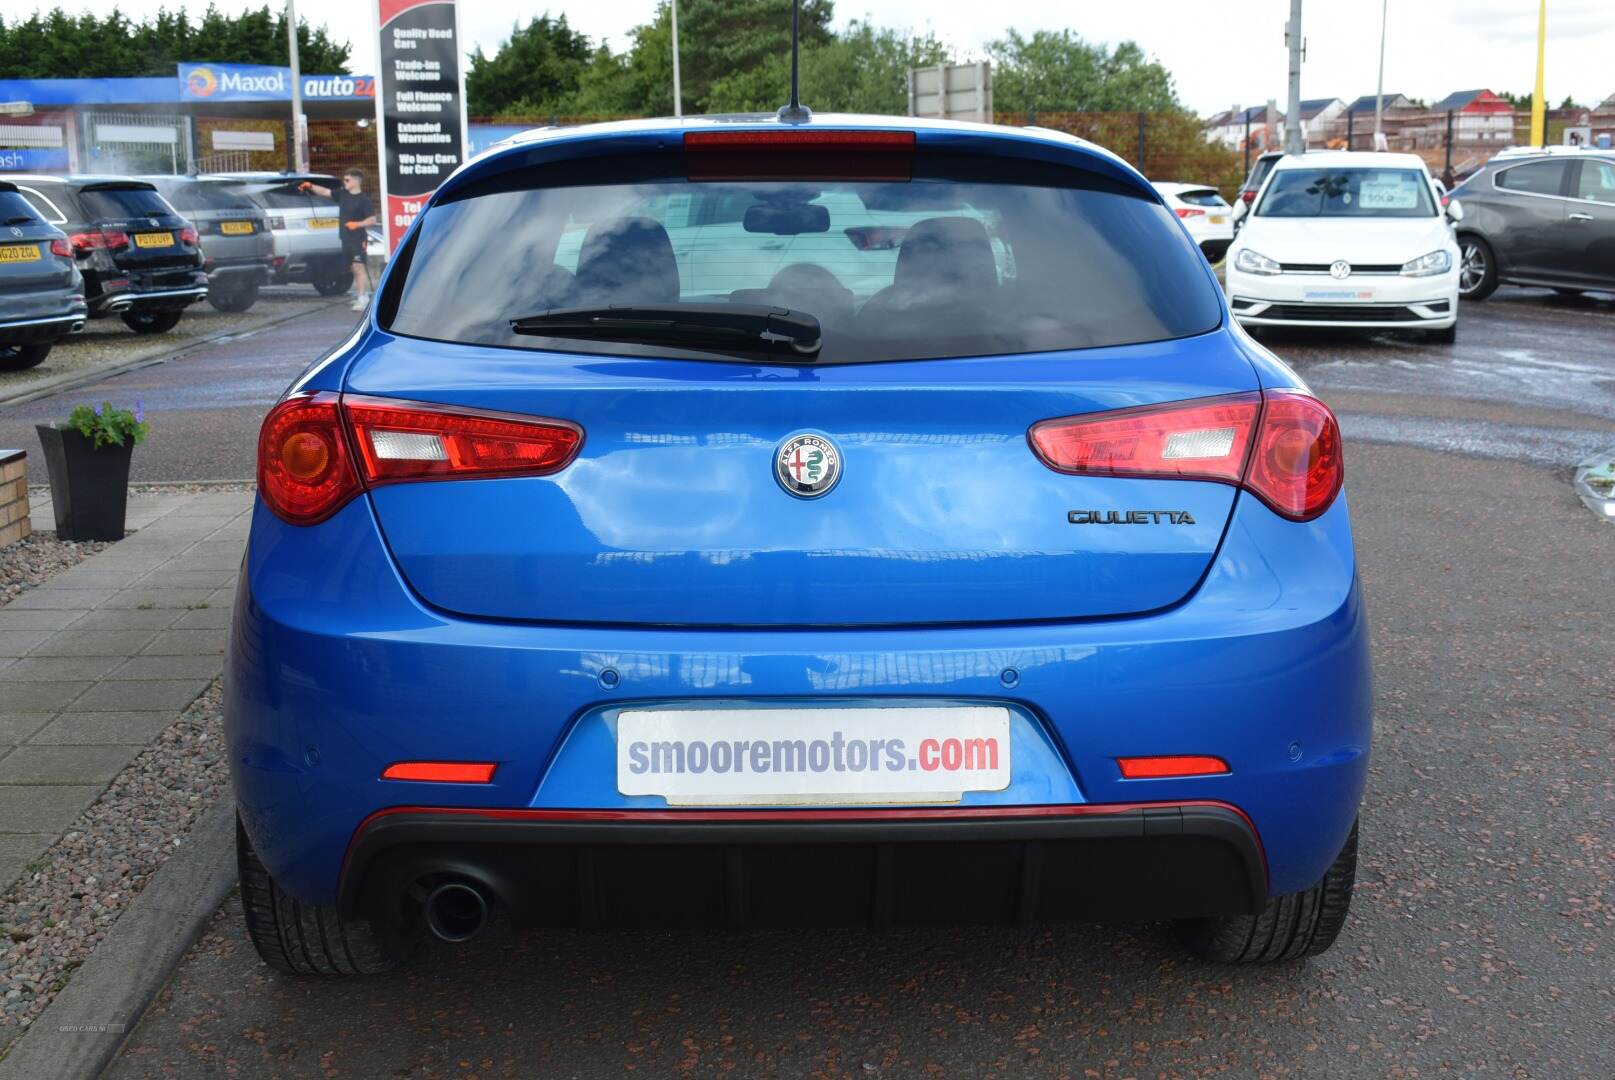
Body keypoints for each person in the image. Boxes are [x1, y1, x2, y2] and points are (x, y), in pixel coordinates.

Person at [299, 169, 377, 311]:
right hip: (345, 238)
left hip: (358, 239)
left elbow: (372, 219)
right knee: (353, 268)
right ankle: (362, 294)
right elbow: (325, 192)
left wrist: (357, 224)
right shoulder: (343, 194)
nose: (344, 182)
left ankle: (362, 298)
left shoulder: (363, 199)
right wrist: (310, 186)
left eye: (347, 180)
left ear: (356, 181)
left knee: (359, 266)